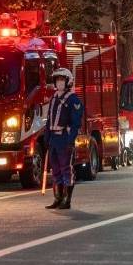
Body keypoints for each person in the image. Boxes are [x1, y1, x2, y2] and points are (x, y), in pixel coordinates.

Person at [44, 68, 84, 210]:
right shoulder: (54, 98)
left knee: (66, 169)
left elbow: (75, 123)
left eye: (62, 79)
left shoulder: (73, 100)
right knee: (55, 170)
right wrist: (46, 139)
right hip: (53, 139)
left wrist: (70, 140)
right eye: (57, 80)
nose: (59, 82)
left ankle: (67, 200)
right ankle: (57, 198)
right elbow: (49, 120)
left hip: (64, 138)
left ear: (68, 81)